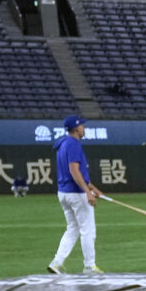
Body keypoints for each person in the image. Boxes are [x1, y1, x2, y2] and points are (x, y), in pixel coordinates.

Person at [47, 113, 101, 275]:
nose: (84, 128)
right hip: (76, 193)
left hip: (64, 193)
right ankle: (89, 266)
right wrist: (87, 192)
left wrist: (92, 187)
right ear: (76, 128)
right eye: (82, 126)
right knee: (88, 230)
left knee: (73, 229)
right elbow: (73, 170)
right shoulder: (74, 144)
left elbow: (76, 173)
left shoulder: (63, 144)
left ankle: (56, 262)